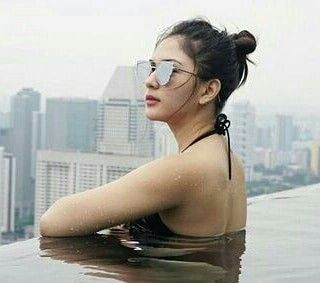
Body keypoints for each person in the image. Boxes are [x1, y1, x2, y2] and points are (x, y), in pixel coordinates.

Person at [39, 17, 257, 238]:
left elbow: (53, 221)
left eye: (168, 71)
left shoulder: (183, 169)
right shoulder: (230, 162)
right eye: (152, 68)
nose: (151, 80)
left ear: (208, 90)